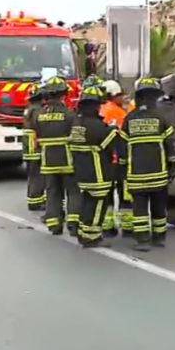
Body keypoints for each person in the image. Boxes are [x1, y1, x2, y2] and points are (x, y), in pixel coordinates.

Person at [117, 77, 175, 252]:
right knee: (159, 207)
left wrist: (122, 168)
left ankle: (142, 240)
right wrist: (173, 166)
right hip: (159, 173)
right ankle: (159, 237)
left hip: (136, 175)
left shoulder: (129, 118)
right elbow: (170, 145)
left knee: (140, 209)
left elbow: (122, 147)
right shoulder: (161, 118)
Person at [69, 86, 118, 248]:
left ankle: (83, 232)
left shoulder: (76, 124)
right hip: (98, 173)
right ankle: (92, 237)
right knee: (98, 205)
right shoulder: (98, 126)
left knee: (87, 202)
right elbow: (109, 145)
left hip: (81, 172)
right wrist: (113, 130)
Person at [31, 76, 80, 236]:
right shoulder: (70, 114)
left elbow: (35, 138)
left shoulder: (38, 115)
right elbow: (77, 137)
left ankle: (54, 224)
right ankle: (73, 224)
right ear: (64, 94)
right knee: (73, 191)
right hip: (68, 160)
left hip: (48, 161)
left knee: (53, 192)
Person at [100, 80, 134, 238]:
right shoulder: (117, 112)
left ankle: (107, 227)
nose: (122, 97)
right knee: (125, 194)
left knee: (107, 194)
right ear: (112, 95)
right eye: (119, 94)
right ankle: (128, 227)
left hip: (106, 160)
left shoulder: (102, 110)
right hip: (120, 160)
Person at [22, 83, 46, 211]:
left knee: (33, 175)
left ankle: (34, 200)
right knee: (38, 175)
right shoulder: (37, 110)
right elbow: (40, 126)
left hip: (29, 146)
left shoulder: (30, 108)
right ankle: (36, 201)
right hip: (35, 147)